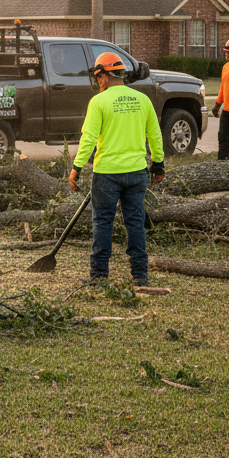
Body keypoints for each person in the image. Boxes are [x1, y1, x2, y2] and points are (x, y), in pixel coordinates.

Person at [69, 52, 165, 287]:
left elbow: (88, 139)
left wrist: (76, 168)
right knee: (135, 222)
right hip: (137, 173)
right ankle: (140, 276)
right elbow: (155, 135)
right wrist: (158, 164)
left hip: (107, 174)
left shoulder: (99, 102)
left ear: (103, 75)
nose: (97, 82)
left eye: (97, 76)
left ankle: (99, 275)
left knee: (103, 222)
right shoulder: (142, 100)